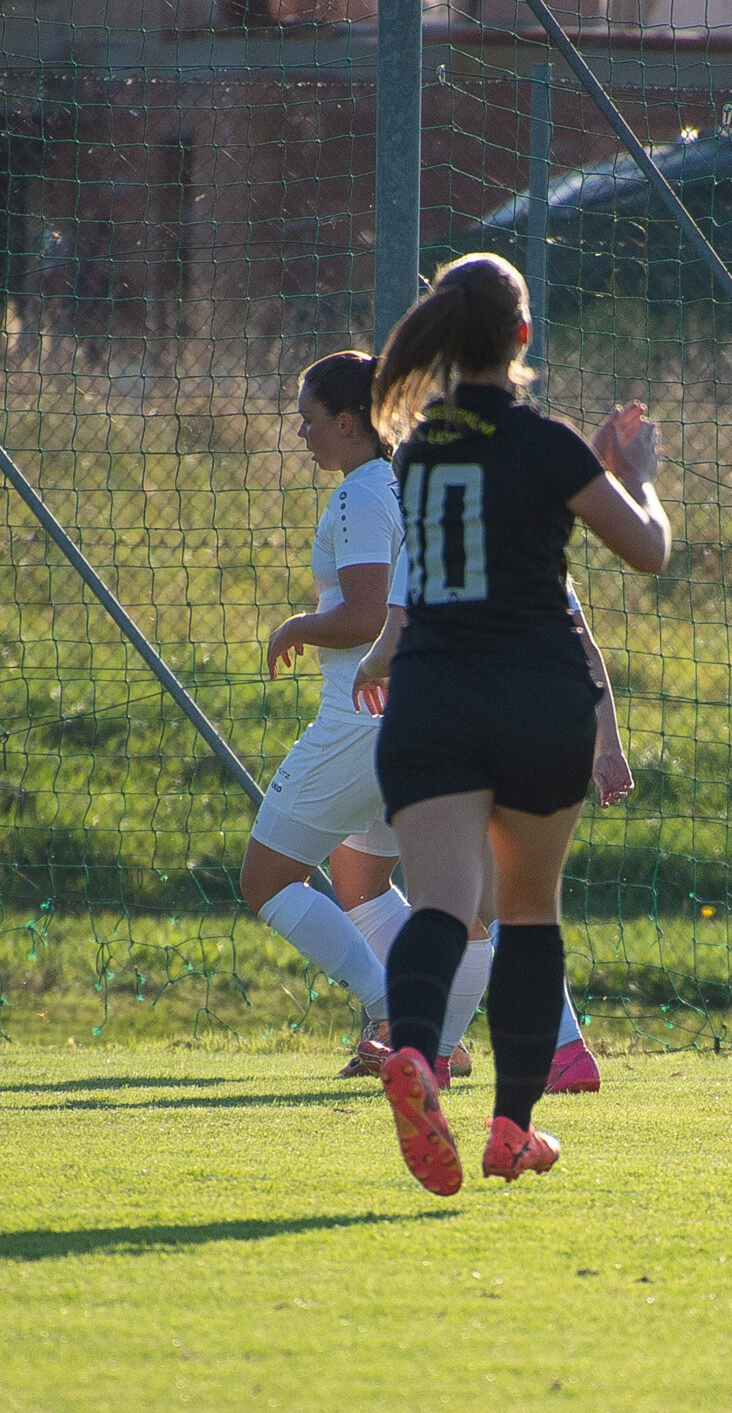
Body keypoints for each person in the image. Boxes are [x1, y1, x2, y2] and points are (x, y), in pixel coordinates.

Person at [368, 253, 669, 1195]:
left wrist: (589, 465)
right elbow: (648, 551)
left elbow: (468, 532)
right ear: (523, 337)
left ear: (447, 334)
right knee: (530, 911)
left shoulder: (417, 450)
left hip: (432, 695)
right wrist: (637, 476)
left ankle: (414, 1049)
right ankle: (512, 1128)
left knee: (441, 905)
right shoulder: (548, 444)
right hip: (537, 696)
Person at [354, 546, 638, 1094]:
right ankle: (441, 1053)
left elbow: (392, 644)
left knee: (460, 898)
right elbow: (583, 647)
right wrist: (609, 745)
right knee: (497, 901)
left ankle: (558, 1049)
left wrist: (367, 669)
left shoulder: (430, 532)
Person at [239, 351, 416, 1074]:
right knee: (360, 881)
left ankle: (397, 1013)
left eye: (309, 420)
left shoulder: (360, 495)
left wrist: (297, 626)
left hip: (358, 721)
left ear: (348, 422)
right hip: (408, 718)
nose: (300, 433)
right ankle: (436, 1033)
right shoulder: (402, 484)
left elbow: (369, 616)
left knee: (265, 880)